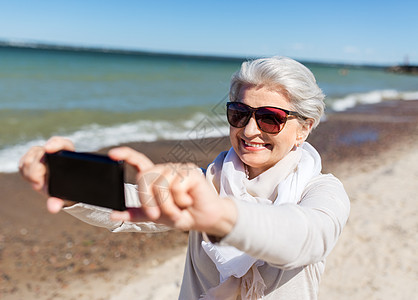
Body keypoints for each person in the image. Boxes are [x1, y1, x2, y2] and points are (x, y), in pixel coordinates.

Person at [19, 56, 350, 299]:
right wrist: (66, 184)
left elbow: (305, 238)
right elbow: (135, 205)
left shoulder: (322, 191)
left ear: (304, 128)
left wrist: (221, 216)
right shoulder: (210, 182)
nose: (249, 131)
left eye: (270, 119)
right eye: (239, 114)